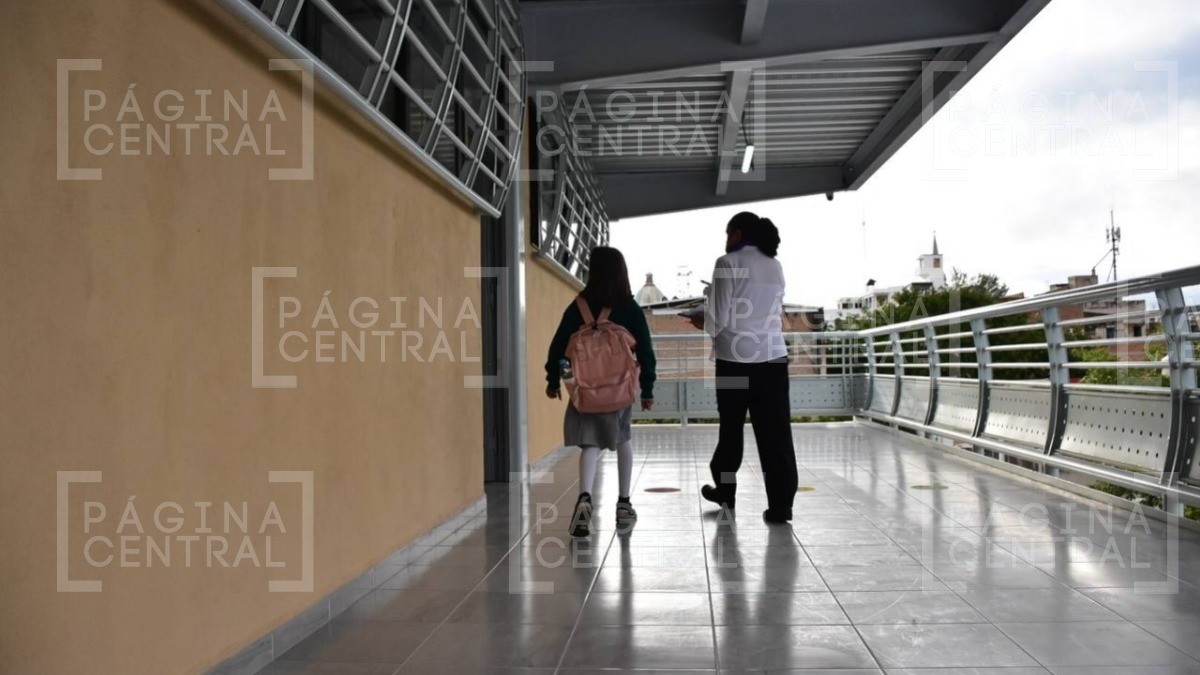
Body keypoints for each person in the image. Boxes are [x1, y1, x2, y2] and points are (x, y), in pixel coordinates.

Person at [687, 212, 798, 523]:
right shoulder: (775, 265)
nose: (725, 238)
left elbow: (717, 321)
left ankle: (726, 492)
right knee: (776, 433)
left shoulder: (727, 263)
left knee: (731, 428)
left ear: (736, 233)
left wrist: (701, 318)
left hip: (735, 362)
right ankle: (781, 504)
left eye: (727, 232)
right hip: (773, 361)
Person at [546, 246, 657, 537]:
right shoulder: (628, 307)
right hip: (618, 390)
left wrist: (552, 380)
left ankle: (584, 499)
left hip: (585, 391)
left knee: (590, 445)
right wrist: (647, 390)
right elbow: (645, 351)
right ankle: (623, 504)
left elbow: (557, 346)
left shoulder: (578, 306)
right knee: (622, 440)